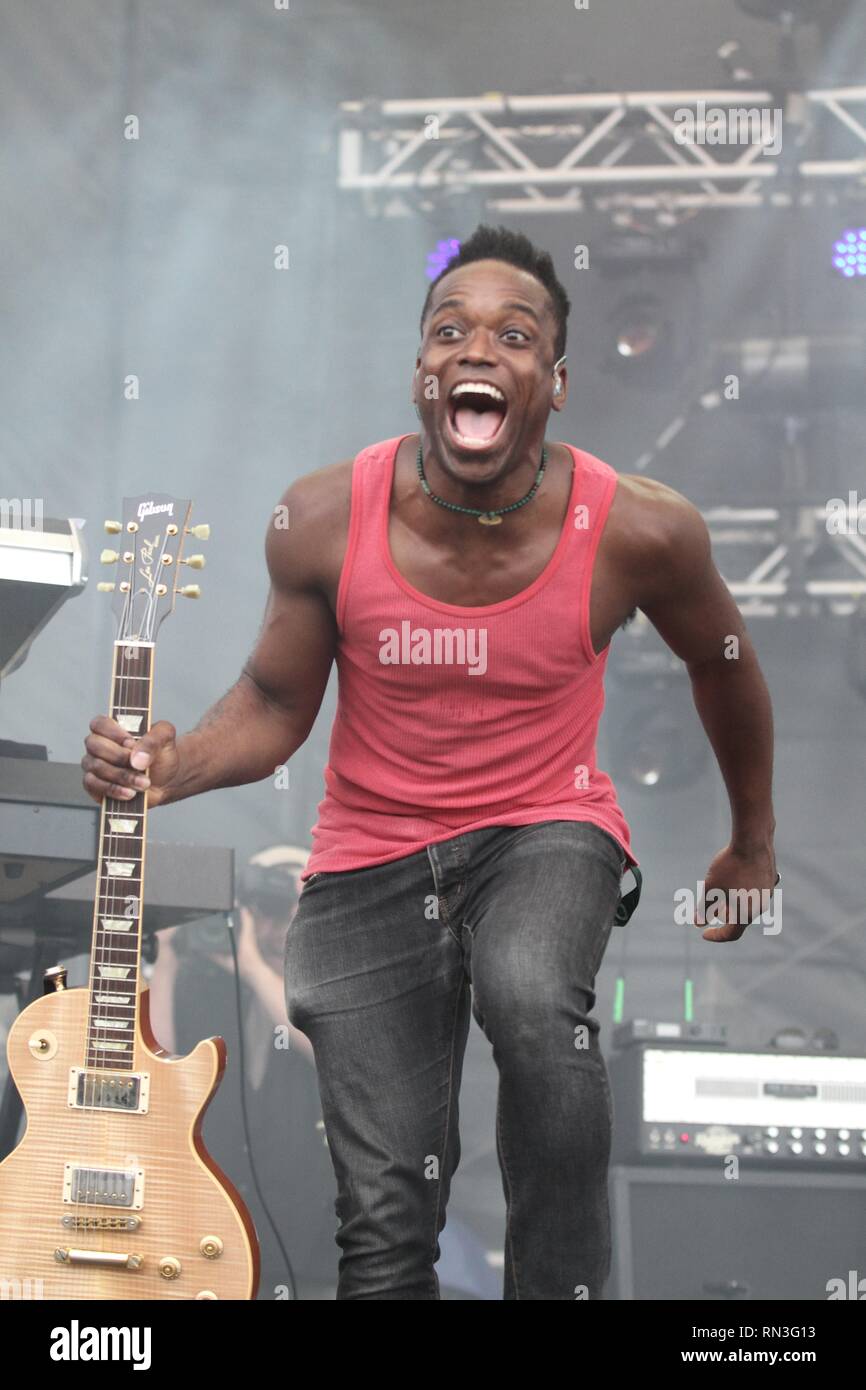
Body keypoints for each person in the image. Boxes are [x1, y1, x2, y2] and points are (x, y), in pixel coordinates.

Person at [82, 224, 777, 1300]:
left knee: (534, 1000)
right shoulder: (322, 518)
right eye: (446, 331)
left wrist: (751, 843)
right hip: (368, 857)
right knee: (384, 1215)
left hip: (543, 829)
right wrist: (173, 764)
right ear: (420, 375)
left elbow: (723, 666)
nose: (473, 352)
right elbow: (273, 699)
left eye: (511, 334)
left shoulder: (638, 529)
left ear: (554, 380)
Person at [147, 846, 338, 1297]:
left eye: (284, 909)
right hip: (212, 1234)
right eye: (263, 912)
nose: (272, 927)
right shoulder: (210, 982)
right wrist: (170, 957)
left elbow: (326, 1048)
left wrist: (252, 965)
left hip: (309, 1246)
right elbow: (161, 1066)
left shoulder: (333, 979)